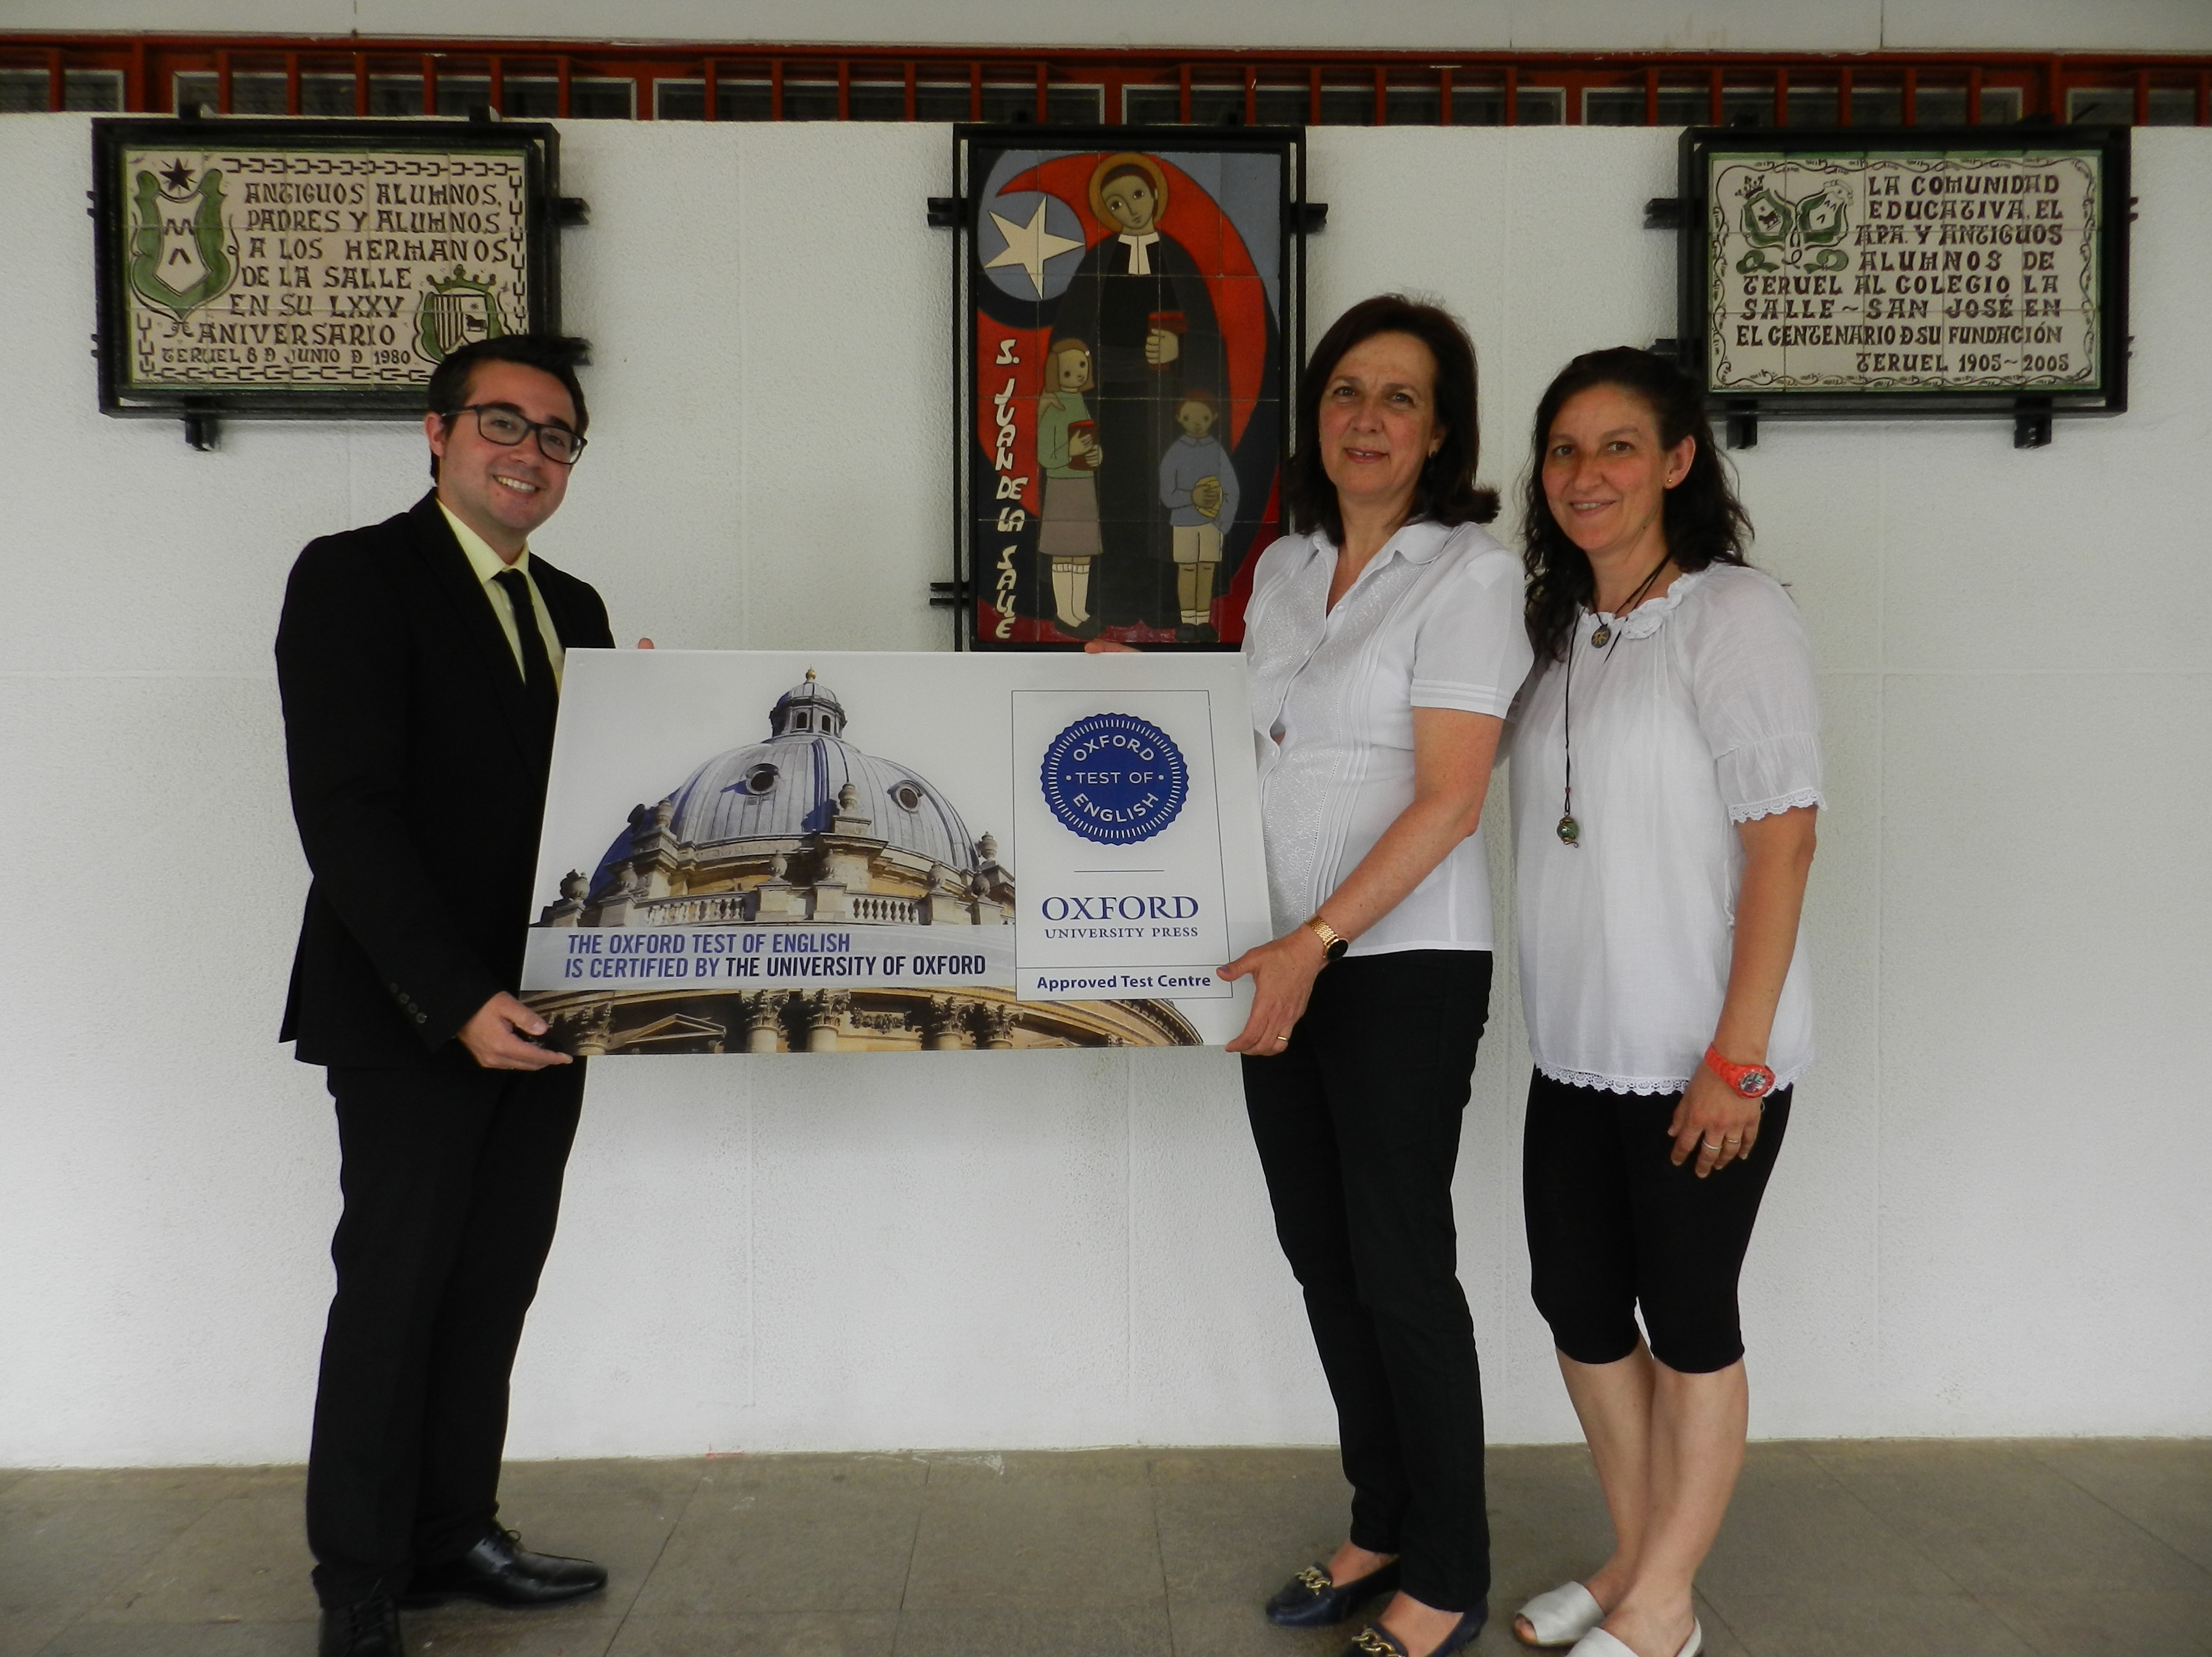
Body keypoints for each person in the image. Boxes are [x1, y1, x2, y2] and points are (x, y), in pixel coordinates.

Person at [1097, 296, 1530, 1657]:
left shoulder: (1469, 572)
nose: (1367, 416)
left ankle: (1448, 1568)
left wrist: (1319, 938)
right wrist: (1144, 681)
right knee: (1322, 1251)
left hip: (1395, 959)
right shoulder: (1283, 565)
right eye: (1349, 389)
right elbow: (1261, 737)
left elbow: (1451, 798)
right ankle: (1380, 1514)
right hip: (1267, 952)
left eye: (1400, 397)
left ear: (1441, 430)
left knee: (1400, 1259)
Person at [275, 334, 618, 1657]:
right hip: (414, 1006)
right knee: (395, 1286)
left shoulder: (573, 605)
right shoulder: (357, 575)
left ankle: (452, 1529)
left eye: (557, 436)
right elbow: (346, 812)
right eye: (504, 423)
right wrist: (458, 994)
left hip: (552, 1008)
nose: (531, 452)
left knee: (491, 1281)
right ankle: (360, 1576)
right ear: (437, 430)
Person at [1502, 348, 1821, 1657]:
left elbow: (1785, 838)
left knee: (1689, 1318)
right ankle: (1636, 1555)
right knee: (1578, 1305)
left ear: (1680, 459)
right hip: (1576, 1041)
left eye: (1618, 445)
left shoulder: (1732, 612)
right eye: (1565, 449)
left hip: (1708, 1050)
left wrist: (1735, 1059)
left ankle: (1669, 1604)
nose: (1586, 474)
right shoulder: (1556, 624)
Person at [1052, 151, 1225, 633]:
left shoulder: (1177, 259)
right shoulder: (1099, 261)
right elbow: (1070, 339)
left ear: (1153, 196)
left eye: (1137, 195)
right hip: (1111, 409)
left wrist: (1180, 344)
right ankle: (1113, 606)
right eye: (1116, 202)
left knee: (1169, 503)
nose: (1130, 208)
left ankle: (1175, 611)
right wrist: (1101, 364)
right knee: (1116, 505)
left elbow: (1210, 337)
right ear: (1106, 211)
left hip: (1169, 410)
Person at [1036, 336, 1105, 636]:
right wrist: (1070, 452)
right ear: (1056, 371)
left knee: (1082, 551)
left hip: (1083, 483)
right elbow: (1046, 456)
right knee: (1064, 551)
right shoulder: (1053, 406)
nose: (1077, 373)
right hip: (1063, 486)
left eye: (1082, 366)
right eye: (1069, 369)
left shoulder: (1080, 402)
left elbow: (1089, 441)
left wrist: (1095, 454)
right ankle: (1065, 611)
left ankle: (1079, 609)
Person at [1157, 387, 1240, 641]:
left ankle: (1203, 620)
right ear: (1179, 418)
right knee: (1187, 570)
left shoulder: (1216, 452)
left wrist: (1222, 522)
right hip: (1183, 524)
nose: (1196, 424)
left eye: (1203, 418)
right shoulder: (1175, 453)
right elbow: (1167, 494)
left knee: (1206, 571)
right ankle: (1187, 621)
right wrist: (1191, 497)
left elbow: (1231, 489)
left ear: (1213, 418)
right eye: (1189, 418)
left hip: (1211, 524)